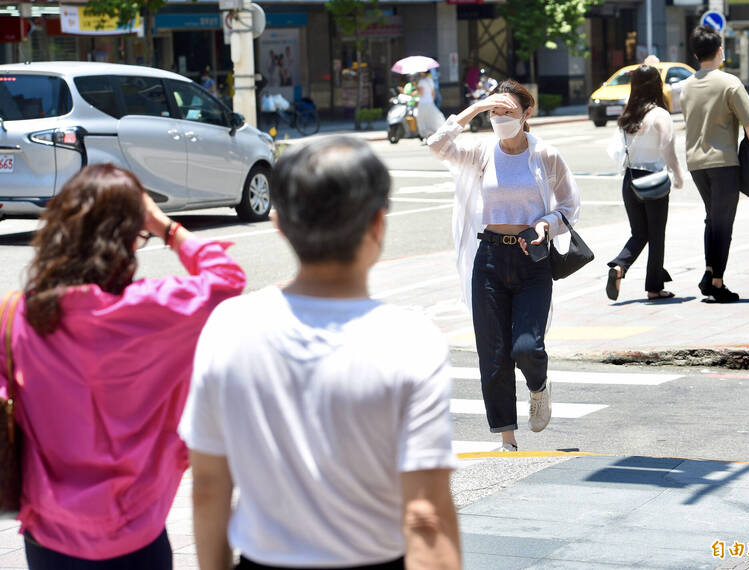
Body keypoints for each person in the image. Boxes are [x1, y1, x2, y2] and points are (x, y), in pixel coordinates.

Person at [180, 137, 461, 570]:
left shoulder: (229, 327)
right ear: (377, 224)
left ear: (279, 224)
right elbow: (426, 516)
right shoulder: (411, 340)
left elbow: (208, 488)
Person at [0, 164, 246, 569]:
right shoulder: (158, 308)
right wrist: (165, 227)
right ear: (131, 237)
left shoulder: (18, 317)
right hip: (138, 532)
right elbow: (227, 278)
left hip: (50, 535)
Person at [428, 80, 580, 451]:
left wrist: (547, 224)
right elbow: (437, 145)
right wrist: (475, 109)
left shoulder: (546, 155)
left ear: (527, 114)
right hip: (491, 258)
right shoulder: (481, 151)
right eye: (495, 111)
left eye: (507, 111)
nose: (500, 117)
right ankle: (507, 440)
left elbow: (569, 206)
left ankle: (538, 387)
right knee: (492, 355)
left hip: (532, 260)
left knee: (527, 347)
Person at [681, 25, 749, 303]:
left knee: (711, 218)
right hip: (724, 162)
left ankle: (708, 272)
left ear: (695, 54)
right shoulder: (730, 83)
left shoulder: (687, 86)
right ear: (719, 51)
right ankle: (717, 281)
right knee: (723, 223)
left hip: (696, 163)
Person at [606, 65, 685, 301]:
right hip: (653, 179)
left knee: (639, 233)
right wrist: (678, 174)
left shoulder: (629, 115)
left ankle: (619, 266)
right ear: (657, 85)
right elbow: (667, 147)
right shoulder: (660, 114)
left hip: (630, 178)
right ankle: (654, 287)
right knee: (656, 235)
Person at [416, 71, 446, 139]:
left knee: (423, 120)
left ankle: (426, 135)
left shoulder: (421, 82)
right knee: (433, 119)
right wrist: (431, 100)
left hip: (423, 103)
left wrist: (416, 87)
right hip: (430, 102)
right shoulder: (430, 80)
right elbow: (433, 93)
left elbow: (421, 93)